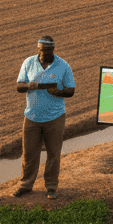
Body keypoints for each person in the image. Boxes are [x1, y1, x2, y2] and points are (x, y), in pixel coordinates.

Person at [14, 35, 75, 200]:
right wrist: (29, 86)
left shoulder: (63, 66)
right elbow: (19, 86)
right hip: (32, 116)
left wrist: (59, 92)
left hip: (55, 117)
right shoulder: (29, 63)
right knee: (29, 154)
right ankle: (25, 185)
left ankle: (51, 186)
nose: (42, 54)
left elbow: (71, 90)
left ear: (52, 49)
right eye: (40, 50)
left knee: (53, 154)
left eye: (46, 50)